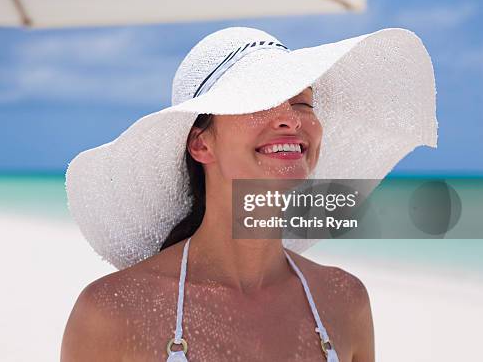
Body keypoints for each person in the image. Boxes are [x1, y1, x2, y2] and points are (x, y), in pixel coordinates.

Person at [61, 27, 438, 361]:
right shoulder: (114, 313)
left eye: (302, 102)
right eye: (258, 101)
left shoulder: (344, 301)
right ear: (201, 144)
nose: (291, 117)